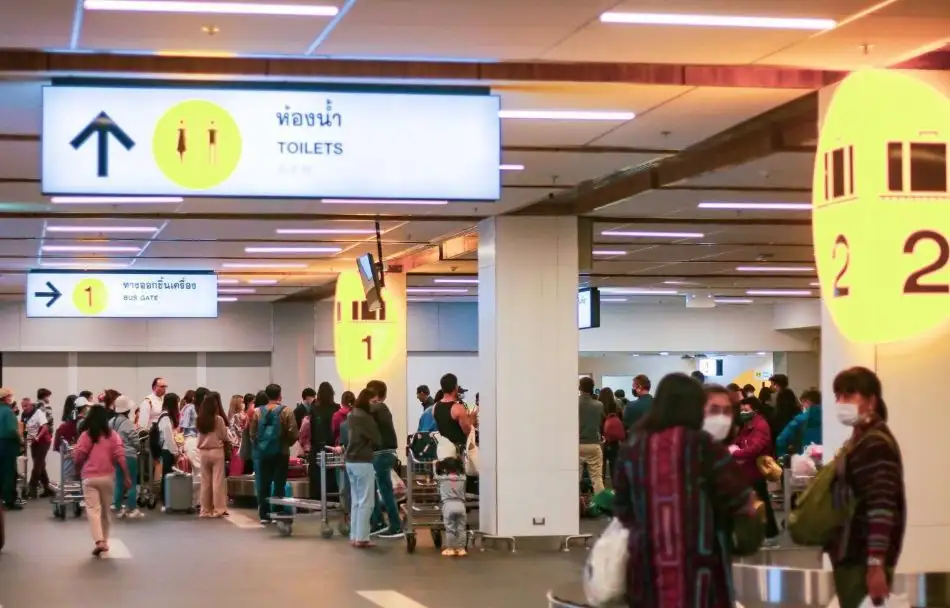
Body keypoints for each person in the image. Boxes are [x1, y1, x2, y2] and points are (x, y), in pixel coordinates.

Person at [612, 373, 757, 607]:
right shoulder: (703, 446)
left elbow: (622, 508)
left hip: (646, 566)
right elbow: (739, 498)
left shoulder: (633, 448)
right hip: (700, 567)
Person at [826, 367, 905, 608]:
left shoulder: (875, 444)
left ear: (871, 401)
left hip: (862, 559)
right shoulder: (860, 440)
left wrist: (875, 564)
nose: (841, 403)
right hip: (853, 556)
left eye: (849, 395)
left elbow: (881, 505)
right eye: (838, 396)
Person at [72, 405, 131, 557]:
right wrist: (126, 475)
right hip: (107, 477)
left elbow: (79, 456)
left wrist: (76, 471)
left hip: (89, 478)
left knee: (93, 509)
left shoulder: (86, 435)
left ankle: (99, 542)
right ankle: (104, 540)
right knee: (105, 511)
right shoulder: (113, 435)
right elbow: (120, 456)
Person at [730, 396, 780, 543]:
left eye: (746, 409)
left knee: (761, 500)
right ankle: (765, 533)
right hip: (748, 469)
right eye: (741, 409)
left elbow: (756, 447)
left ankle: (770, 534)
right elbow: (740, 439)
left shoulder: (760, 426)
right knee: (758, 500)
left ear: (755, 409)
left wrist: (735, 453)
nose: (743, 412)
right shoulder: (749, 424)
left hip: (756, 469)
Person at [249, 383, 298, 524]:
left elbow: (252, 433)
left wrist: (261, 445)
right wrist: (286, 444)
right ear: (280, 395)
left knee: (263, 483)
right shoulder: (287, 411)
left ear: (266, 395)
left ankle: (264, 515)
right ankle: (277, 512)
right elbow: (293, 433)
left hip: (262, 453)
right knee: (279, 483)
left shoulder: (257, 412)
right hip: (281, 452)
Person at [342, 388, 381, 548]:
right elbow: (377, 438)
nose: (375, 405)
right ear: (367, 400)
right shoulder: (365, 417)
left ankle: (354, 535)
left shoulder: (351, 415)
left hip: (350, 461)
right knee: (366, 501)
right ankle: (363, 538)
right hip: (363, 461)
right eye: (374, 401)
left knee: (356, 501)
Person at [367, 379, 403, 539]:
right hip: (384, 453)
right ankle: (379, 522)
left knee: (384, 490)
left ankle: (395, 525)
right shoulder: (382, 408)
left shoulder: (376, 408)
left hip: (381, 453)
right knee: (376, 489)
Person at [196, 391, 230, 518]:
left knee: (205, 482)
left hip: (203, 453)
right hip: (216, 451)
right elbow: (224, 436)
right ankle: (218, 509)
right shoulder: (218, 419)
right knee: (217, 482)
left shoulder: (199, 420)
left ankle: (205, 510)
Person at [110, 396, 144, 519]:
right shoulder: (127, 423)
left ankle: (117, 507)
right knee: (131, 483)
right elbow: (135, 440)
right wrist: (139, 447)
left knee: (119, 483)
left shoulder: (111, 422)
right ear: (127, 410)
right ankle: (132, 509)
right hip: (129, 455)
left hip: (116, 456)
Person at [307, 382, 339, 501]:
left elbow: (310, 428)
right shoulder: (336, 408)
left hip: (317, 446)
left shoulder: (314, 408)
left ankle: (317, 500)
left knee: (316, 475)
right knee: (331, 474)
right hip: (332, 447)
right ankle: (333, 499)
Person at [776, 388, 823, 458]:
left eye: (803, 404)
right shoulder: (830, 419)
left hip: (805, 460)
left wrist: (783, 457)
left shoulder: (800, 419)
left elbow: (781, 440)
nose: (803, 407)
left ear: (808, 402)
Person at [435, 456, 468, 557]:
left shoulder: (442, 479)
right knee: (461, 528)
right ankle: (461, 549)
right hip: (461, 505)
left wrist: (435, 465)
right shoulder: (463, 478)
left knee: (450, 528)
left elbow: (435, 474)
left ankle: (450, 548)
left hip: (448, 505)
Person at [578, 376, 605, 495]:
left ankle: (573, 502)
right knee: (597, 478)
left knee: (574, 478)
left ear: (580, 388)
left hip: (576, 445)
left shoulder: (572, 404)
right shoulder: (599, 405)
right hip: (593, 444)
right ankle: (601, 503)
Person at [139, 377, 168, 485]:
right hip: (152, 436)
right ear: (155, 387)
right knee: (156, 462)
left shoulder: (164, 400)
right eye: (162, 386)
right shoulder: (148, 401)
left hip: (163, 435)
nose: (164, 389)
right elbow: (143, 423)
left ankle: (160, 484)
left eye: (165, 387)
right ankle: (154, 485)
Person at [433, 373, 471, 452]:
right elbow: (468, 431)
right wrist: (472, 419)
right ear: (455, 387)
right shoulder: (458, 408)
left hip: (442, 449)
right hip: (457, 451)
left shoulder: (435, 407)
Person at [24, 398, 53, 498]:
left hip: (43, 441)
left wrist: (38, 436)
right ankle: (47, 488)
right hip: (33, 442)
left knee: (37, 465)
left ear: (31, 405)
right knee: (41, 465)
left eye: (26, 406)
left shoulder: (38, 413)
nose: (24, 408)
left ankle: (32, 488)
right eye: (22, 406)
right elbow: (24, 427)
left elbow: (45, 427)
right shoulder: (25, 414)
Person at [157, 393, 180, 505]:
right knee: (167, 475)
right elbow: (168, 437)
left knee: (166, 475)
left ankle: (166, 499)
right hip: (167, 450)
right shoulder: (166, 417)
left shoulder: (163, 415)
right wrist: (175, 452)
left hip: (165, 449)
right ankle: (167, 500)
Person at [0, 388, 21, 511]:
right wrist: (20, 440)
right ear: (5, 398)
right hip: (7, 445)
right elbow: (12, 430)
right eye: (9, 396)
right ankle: (9, 501)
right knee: (9, 473)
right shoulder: (8, 412)